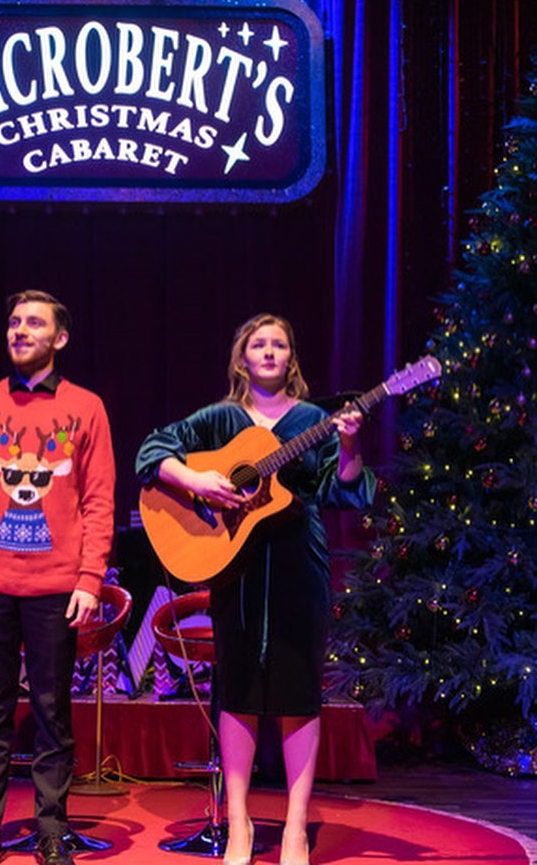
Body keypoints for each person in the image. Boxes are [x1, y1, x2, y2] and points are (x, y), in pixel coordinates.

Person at [135, 313, 375, 865]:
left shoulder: (314, 419)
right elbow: (152, 451)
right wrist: (196, 479)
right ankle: (238, 822)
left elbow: (344, 492)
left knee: (299, 692)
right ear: (242, 359)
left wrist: (351, 444)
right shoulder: (221, 418)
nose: (269, 352)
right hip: (233, 564)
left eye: (279, 345)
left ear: (292, 358)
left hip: (299, 562)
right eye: (258, 344)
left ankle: (295, 828)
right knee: (238, 689)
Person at [0, 289, 116, 865]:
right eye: (14, 321)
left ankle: (51, 831)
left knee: (51, 712)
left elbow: (99, 500)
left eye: (34, 323)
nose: (19, 330)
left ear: (60, 338)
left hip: (56, 587)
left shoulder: (87, 407)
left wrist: (89, 579)